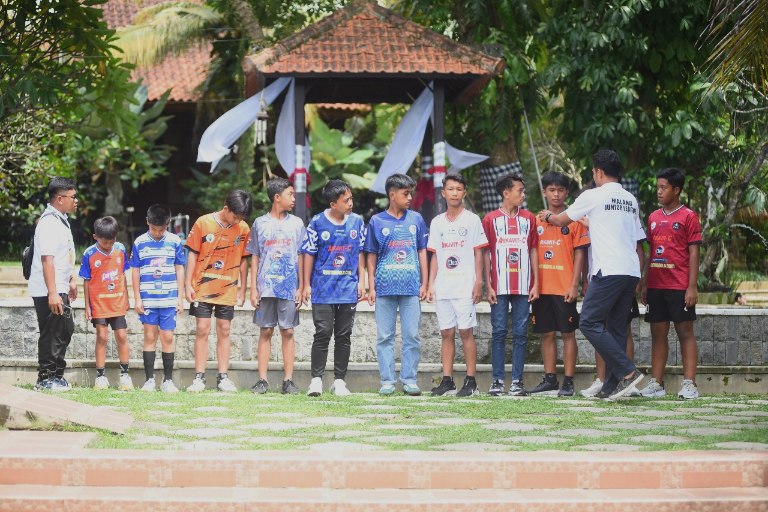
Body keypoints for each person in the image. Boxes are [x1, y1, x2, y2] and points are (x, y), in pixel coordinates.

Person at [538, 149, 645, 400]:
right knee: (616, 327)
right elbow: (620, 230)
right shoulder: (629, 199)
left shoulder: (593, 195)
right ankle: (611, 385)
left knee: (588, 321)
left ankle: (627, 370)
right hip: (630, 270)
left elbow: (562, 220)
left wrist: (548, 216)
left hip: (608, 269)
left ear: (597, 172)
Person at [639, 167, 702, 399]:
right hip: (656, 285)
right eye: (658, 187)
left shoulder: (689, 216)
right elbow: (650, 252)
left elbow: (694, 253)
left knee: (685, 332)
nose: (659, 191)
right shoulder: (653, 217)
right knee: (658, 333)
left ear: (676, 190)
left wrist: (692, 286)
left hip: (679, 285)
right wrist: (646, 283)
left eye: (663, 187)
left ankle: (690, 384)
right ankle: (657, 383)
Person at [365, 173, 428, 396]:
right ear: (392, 195)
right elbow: (371, 255)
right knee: (384, 337)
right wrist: (371, 286)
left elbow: (422, 251)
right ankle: (387, 381)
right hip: (384, 287)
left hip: (411, 287)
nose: (410, 198)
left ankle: (409, 379)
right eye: (405, 194)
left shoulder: (416, 219)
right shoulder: (377, 221)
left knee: (412, 335)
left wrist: (424, 282)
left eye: (411, 193)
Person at [301, 179, 366, 397]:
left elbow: (360, 253)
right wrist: (306, 285)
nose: (350, 203)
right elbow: (309, 253)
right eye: (346, 200)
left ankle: (339, 381)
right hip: (322, 289)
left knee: (344, 335)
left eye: (351, 198)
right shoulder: (317, 222)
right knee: (323, 332)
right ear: (333, 204)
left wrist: (362, 282)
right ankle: (316, 380)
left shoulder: (357, 222)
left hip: (348, 288)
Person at [426, 174, 488, 397]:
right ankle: (447, 381)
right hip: (444, 286)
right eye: (450, 189)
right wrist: (431, 284)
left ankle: (471, 382)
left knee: (465, 332)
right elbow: (435, 255)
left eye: (459, 189)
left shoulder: (472, 220)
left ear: (464, 192)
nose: (454, 193)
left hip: (464, 285)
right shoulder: (437, 222)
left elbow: (479, 252)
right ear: (443, 193)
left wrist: (478, 282)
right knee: (446, 333)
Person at [528, 171, 589, 397]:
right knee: (546, 334)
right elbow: (532, 253)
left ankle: (569, 381)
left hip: (565, 288)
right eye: (551, 190)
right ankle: (550, 379)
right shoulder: (535, 221)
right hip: (542, 288)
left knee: (568, 334)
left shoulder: (574, 220)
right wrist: (533, 284)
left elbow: (581, 254)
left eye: (560, 190)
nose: (556, 194)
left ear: (567, 193)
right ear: (544, 192)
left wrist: (575, 285)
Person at [185, 190, 252, 392]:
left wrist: (243, 289)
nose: (238, 220)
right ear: (226, 208)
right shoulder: (203, 223)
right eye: (236, 216)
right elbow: (192, 254)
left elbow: (244, 260)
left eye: (241, 218)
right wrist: (187, 283)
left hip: (228, 288)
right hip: (202, 286)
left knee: (224, 330)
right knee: (202, 329)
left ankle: (223, 377)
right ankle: (199, 378)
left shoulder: (243, 228)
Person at [483, 173, 539, 396]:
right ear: (506, 193)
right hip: (498, 286)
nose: (523, 194)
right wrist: (487, 284)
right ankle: (497, 381)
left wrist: (536, 282)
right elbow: (486, 253)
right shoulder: (490, 220)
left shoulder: (529, 218)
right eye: (520, 191)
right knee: (498, 332)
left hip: (524, 285)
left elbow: (533, 250)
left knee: (521, 334)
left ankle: (517, 381)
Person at [249, 178, 306, 395]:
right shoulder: (259, 223)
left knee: (288, 331)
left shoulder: (297, 224)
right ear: (277, 197)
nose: (293, 198)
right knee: (265, 330)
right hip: (266, 287)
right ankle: (262, 380)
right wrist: (253, 288)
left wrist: (301, 287)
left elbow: (301, 256)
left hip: (289, 287)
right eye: (289, 194)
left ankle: (288, 381)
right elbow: (255, 256)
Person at [130, 204, 186, 393]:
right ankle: (149, 380)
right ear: (147, 222)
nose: (157, 233)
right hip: (148, 299)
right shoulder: (139, 242)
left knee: (168, 337)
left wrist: (180, 297)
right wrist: (137, 298)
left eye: (161, 229)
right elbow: (135, 270)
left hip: (169, 299)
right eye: (154, 229)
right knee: (149, 336)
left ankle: (168, 380)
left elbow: (179, 268)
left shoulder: (175, 241)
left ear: (168, 224)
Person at [30, 177, 78, 391]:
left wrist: (71, 279)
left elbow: (62, 254)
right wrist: (52, 293)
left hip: (59, 285)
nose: (76, 201)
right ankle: (45, 378)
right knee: (52, 333)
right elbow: (47, 259)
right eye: (73, 197)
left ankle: (57, 375)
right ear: (60, 199)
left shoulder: (60, 220)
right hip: (48, 289)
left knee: (65, 329)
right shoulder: (49, 222)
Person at [80, 216, 131, 390]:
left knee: (122, 336)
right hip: (98, 304)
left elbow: (123, 275)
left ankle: (125, 375)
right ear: (95, 237)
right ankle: (100, 376)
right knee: (102, 336)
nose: (108, 245)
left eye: (112, 241)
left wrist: (127, 297)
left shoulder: (121, 249)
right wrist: (87, 306)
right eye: (104, 242)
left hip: (117, 302)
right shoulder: (89, 254)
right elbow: (86, 281)